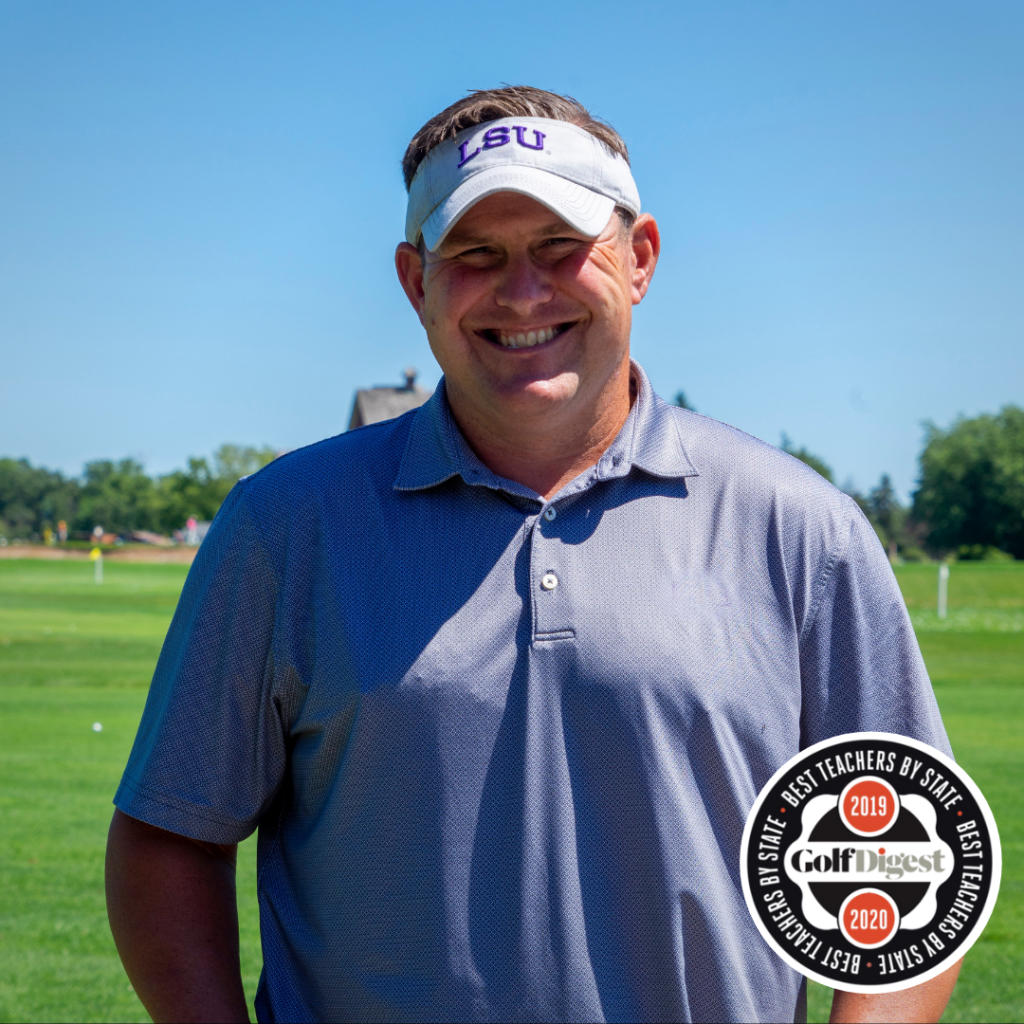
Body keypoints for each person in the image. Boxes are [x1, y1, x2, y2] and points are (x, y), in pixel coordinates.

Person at [106, 86, 961, 1023]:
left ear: (640, 259)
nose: (521, 292)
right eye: (475, 254)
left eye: (561, 246)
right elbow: (170, 838)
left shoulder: (801, 528)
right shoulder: (284, 526)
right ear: (415, 282)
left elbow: (909, 869)